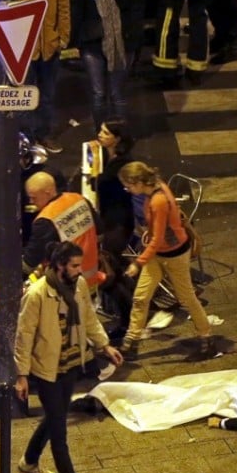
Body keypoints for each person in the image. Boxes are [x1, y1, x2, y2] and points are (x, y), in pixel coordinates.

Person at [14, 240, 123, 473]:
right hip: (47, 370)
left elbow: (88, 318)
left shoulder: (79, 287)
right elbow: (24, 336)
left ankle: (28, 463)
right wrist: (22, 375)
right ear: (59, 265)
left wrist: (104, 345)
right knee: (59, 434)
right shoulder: (38, 294)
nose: (79, 270)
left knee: (56, 416)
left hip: (71, 364)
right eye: (74, 265)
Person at [117, 161, 212, 357]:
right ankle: (132, 339)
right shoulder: (157, 188)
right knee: (141, 296)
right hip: (160, 253)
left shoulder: (157, 201)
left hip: (173, 255)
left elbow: (159, 239)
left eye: (128, 185)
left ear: (137, 182)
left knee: (187, 298)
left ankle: (205, 335)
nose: (127, 189)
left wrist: (138, 262)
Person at [74, 0, 143, 131]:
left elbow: (129, 5)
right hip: (93, 43)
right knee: (98, 94)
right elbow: (79, 9)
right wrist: (78, 39)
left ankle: (120, 137)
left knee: (117, 93)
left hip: (121, 43)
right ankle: (101, 135)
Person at [15, 0, 70, 154]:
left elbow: (64, 11)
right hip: (26, 51)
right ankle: (27, 138)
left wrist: (62, 39)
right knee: (26, 96)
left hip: (49, 48)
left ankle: (44, 135)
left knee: (47, 95)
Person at [0, 134, 66, 266]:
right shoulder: (3, 175)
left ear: (25, 157)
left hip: (46, 235)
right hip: (18, 237)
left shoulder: (48, 175)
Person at [94, 119, 137, 341]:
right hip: (109, 218)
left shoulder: (122, 163)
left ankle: (128, 319)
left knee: (110, 271)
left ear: (117, 138)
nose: (100, 134)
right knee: (116, 268)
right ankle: (132, 309)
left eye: (105, 132)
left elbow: (104, 185)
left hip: (119, 222)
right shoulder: (105, 156)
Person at [22, 171, 100, 285]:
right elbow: (100, 232)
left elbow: (31, 260)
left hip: (67, 285)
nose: (31, 202)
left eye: (34, 198)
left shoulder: (46, 219)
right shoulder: (79, 199)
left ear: (47, 192)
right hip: (91, 277)